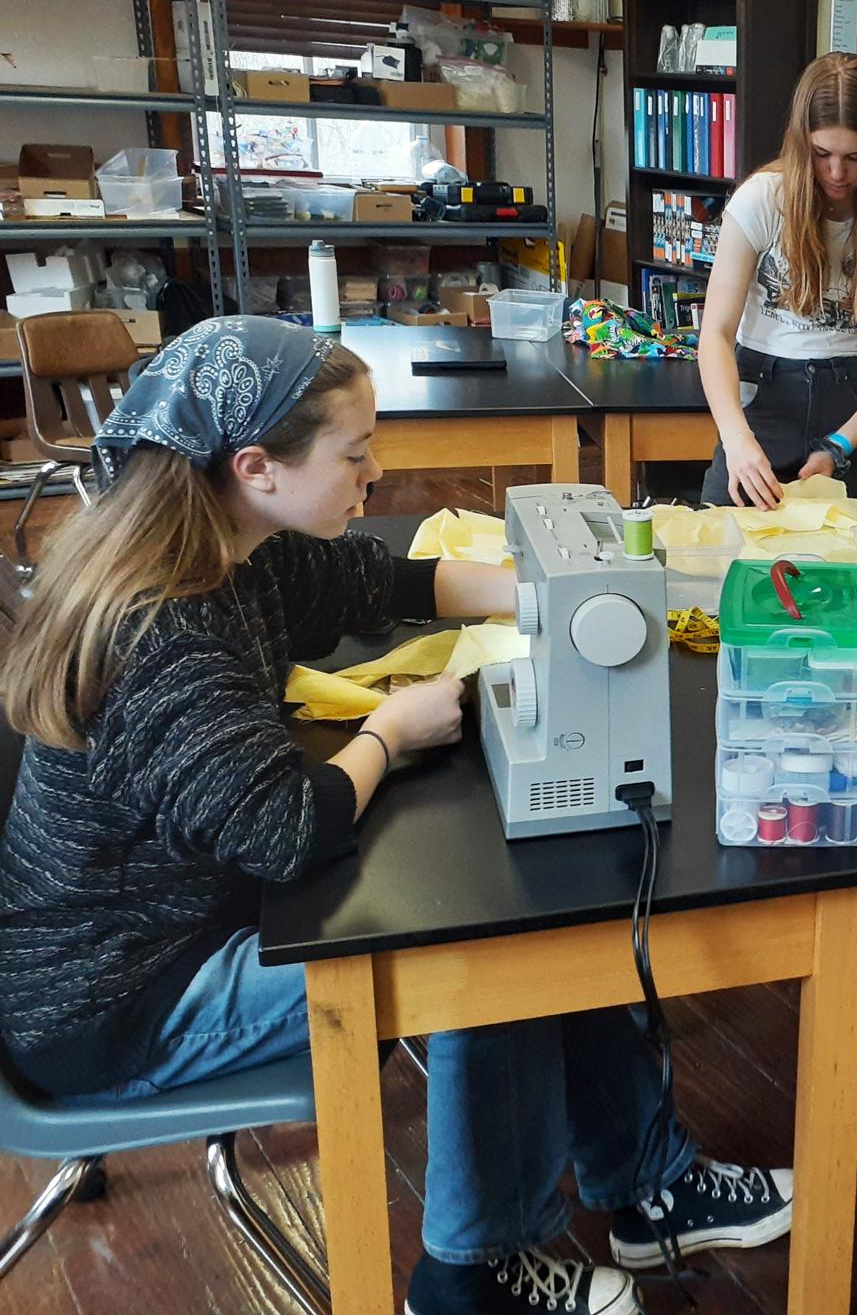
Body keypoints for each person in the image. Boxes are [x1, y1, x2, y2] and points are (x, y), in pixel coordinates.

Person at [0, 318, 793, 1315]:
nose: (374, 475)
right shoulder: (168, 622)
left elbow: (377, 581)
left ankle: (646, 1186)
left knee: (563, 907)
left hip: (167, 929)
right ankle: (472, 1274)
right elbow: (284, 827)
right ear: (258, 465)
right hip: (118, 1005)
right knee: (485, 950)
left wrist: (540, 593)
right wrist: (388, 730)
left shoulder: (228, 544)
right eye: (355, 452)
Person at [696, 51, 857, 510]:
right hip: (760, 402)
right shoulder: (762, 202)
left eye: (855, 157)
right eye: (822, 154)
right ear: (801, 141)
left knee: (848, 569)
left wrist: (840, 446)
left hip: (846, 409)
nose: (837, 173)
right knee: (727, 559)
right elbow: (716, 335)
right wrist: (737, 441)